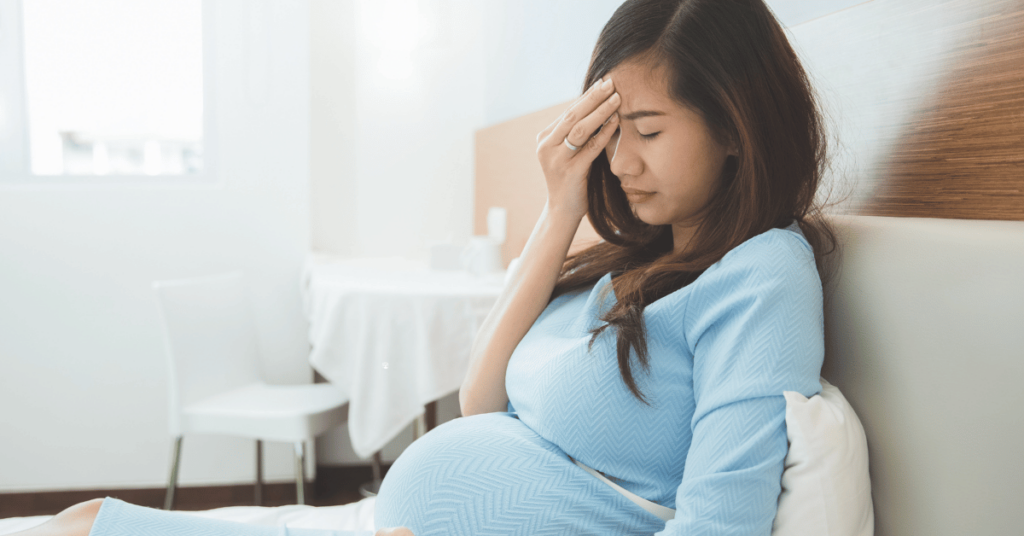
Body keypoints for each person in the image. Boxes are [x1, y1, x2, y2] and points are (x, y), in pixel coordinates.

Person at [15, 0, 834, 534]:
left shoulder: (761, 275)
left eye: (647, 132)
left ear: (735, 125)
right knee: (84, 523)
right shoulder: (638, 259)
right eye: (610, 132)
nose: (619, 162)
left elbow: (719, 526)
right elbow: (481, 402)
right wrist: (557, 214)